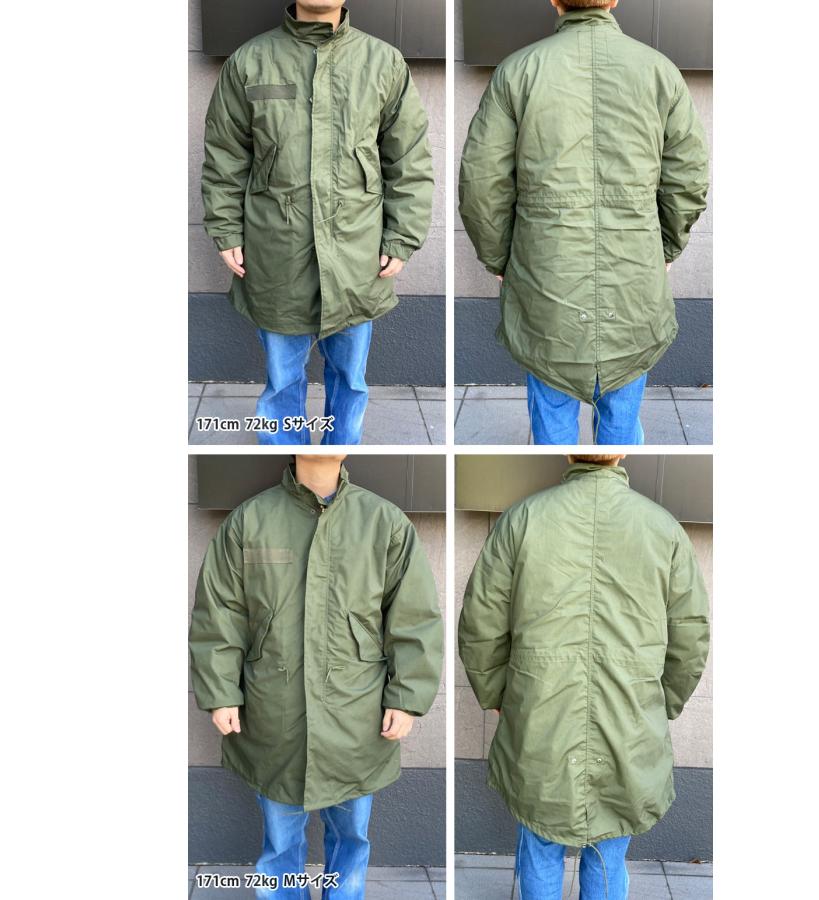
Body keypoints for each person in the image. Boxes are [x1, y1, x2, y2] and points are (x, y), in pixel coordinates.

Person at [189, 454, 444, 899]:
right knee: (280, 843)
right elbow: (220, 612)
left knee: (351, 839)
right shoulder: (251, 519)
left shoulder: (383, 522)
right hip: (273, 713)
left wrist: (406, 698)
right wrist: (220, 691)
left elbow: (414, 618)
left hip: (357, 717)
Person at [458, 454, 709, 900]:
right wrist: (659, 705)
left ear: (571, 455)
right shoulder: (663, 527)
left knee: (540, 845)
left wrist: (499, 695)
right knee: (609, 848)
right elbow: (689, 637)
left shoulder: (523, 519)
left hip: (539, 715)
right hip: (629, 721)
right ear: (622, 454)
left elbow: (481, 623)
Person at [458, 0, 709, 445]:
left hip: (545, 277)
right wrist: (665, 248)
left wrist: (500, 258)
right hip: (633, 276)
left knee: (551, 418)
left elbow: (482, 183)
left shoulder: (518, 71)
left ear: (555, 1)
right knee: (622, 421)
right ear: (614, 1)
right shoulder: (659, 71)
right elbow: (687, 178)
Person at [202, 2, 434, 445]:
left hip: (357, 253)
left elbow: (408, 159)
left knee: (350, 379)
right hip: (276, 248)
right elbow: (225, 155)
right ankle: (286, 455)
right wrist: (226, 228)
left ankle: (336, 456)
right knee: (282, 380)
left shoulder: (383, 62)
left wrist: (402, 235)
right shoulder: (250, 61)